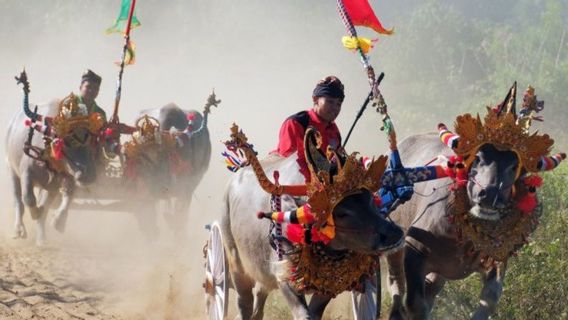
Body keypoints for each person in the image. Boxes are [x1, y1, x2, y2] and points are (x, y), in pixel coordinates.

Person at [274, 76, 344, 181]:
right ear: (315, 99)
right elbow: (290, 165)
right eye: (330, 101)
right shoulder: (297, 123)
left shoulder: (334, 130)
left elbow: (337, 159)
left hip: (325, 187)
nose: (335, 107)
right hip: (292, 186)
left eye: (338, 104)